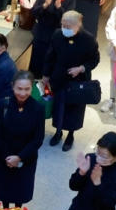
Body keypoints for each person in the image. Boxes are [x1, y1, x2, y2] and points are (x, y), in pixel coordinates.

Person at [43, 10, 100, 152]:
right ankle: (58, 132)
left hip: (78, 81)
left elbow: (94, 60)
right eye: (63, 25)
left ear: (78, 25)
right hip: (59, 78)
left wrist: (81, 68)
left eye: (68, 26)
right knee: (59, 107)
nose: (65, 29)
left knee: (74, 110)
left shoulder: (89, 39)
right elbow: (50, 56)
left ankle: (71, 134)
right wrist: (45, 75)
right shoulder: (57, 35)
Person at [0, 71, 46, 207]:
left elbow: (38, 139)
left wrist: (19, 158)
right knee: (4, 191)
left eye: (27, 89)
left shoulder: (38, 109)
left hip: (26, 159)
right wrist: (8, 157)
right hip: (4, 156)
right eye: (19, 89)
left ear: (32, 87)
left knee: (20, 192)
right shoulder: (3, 105)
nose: (22, 93)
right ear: (12, 87)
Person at [29, 0, 77, 78]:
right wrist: (45, 5)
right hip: (40, 34)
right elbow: (34, 12)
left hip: (56, 37)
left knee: (50, 68)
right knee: (35, 66)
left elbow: (69, 21)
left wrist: (59, 8)